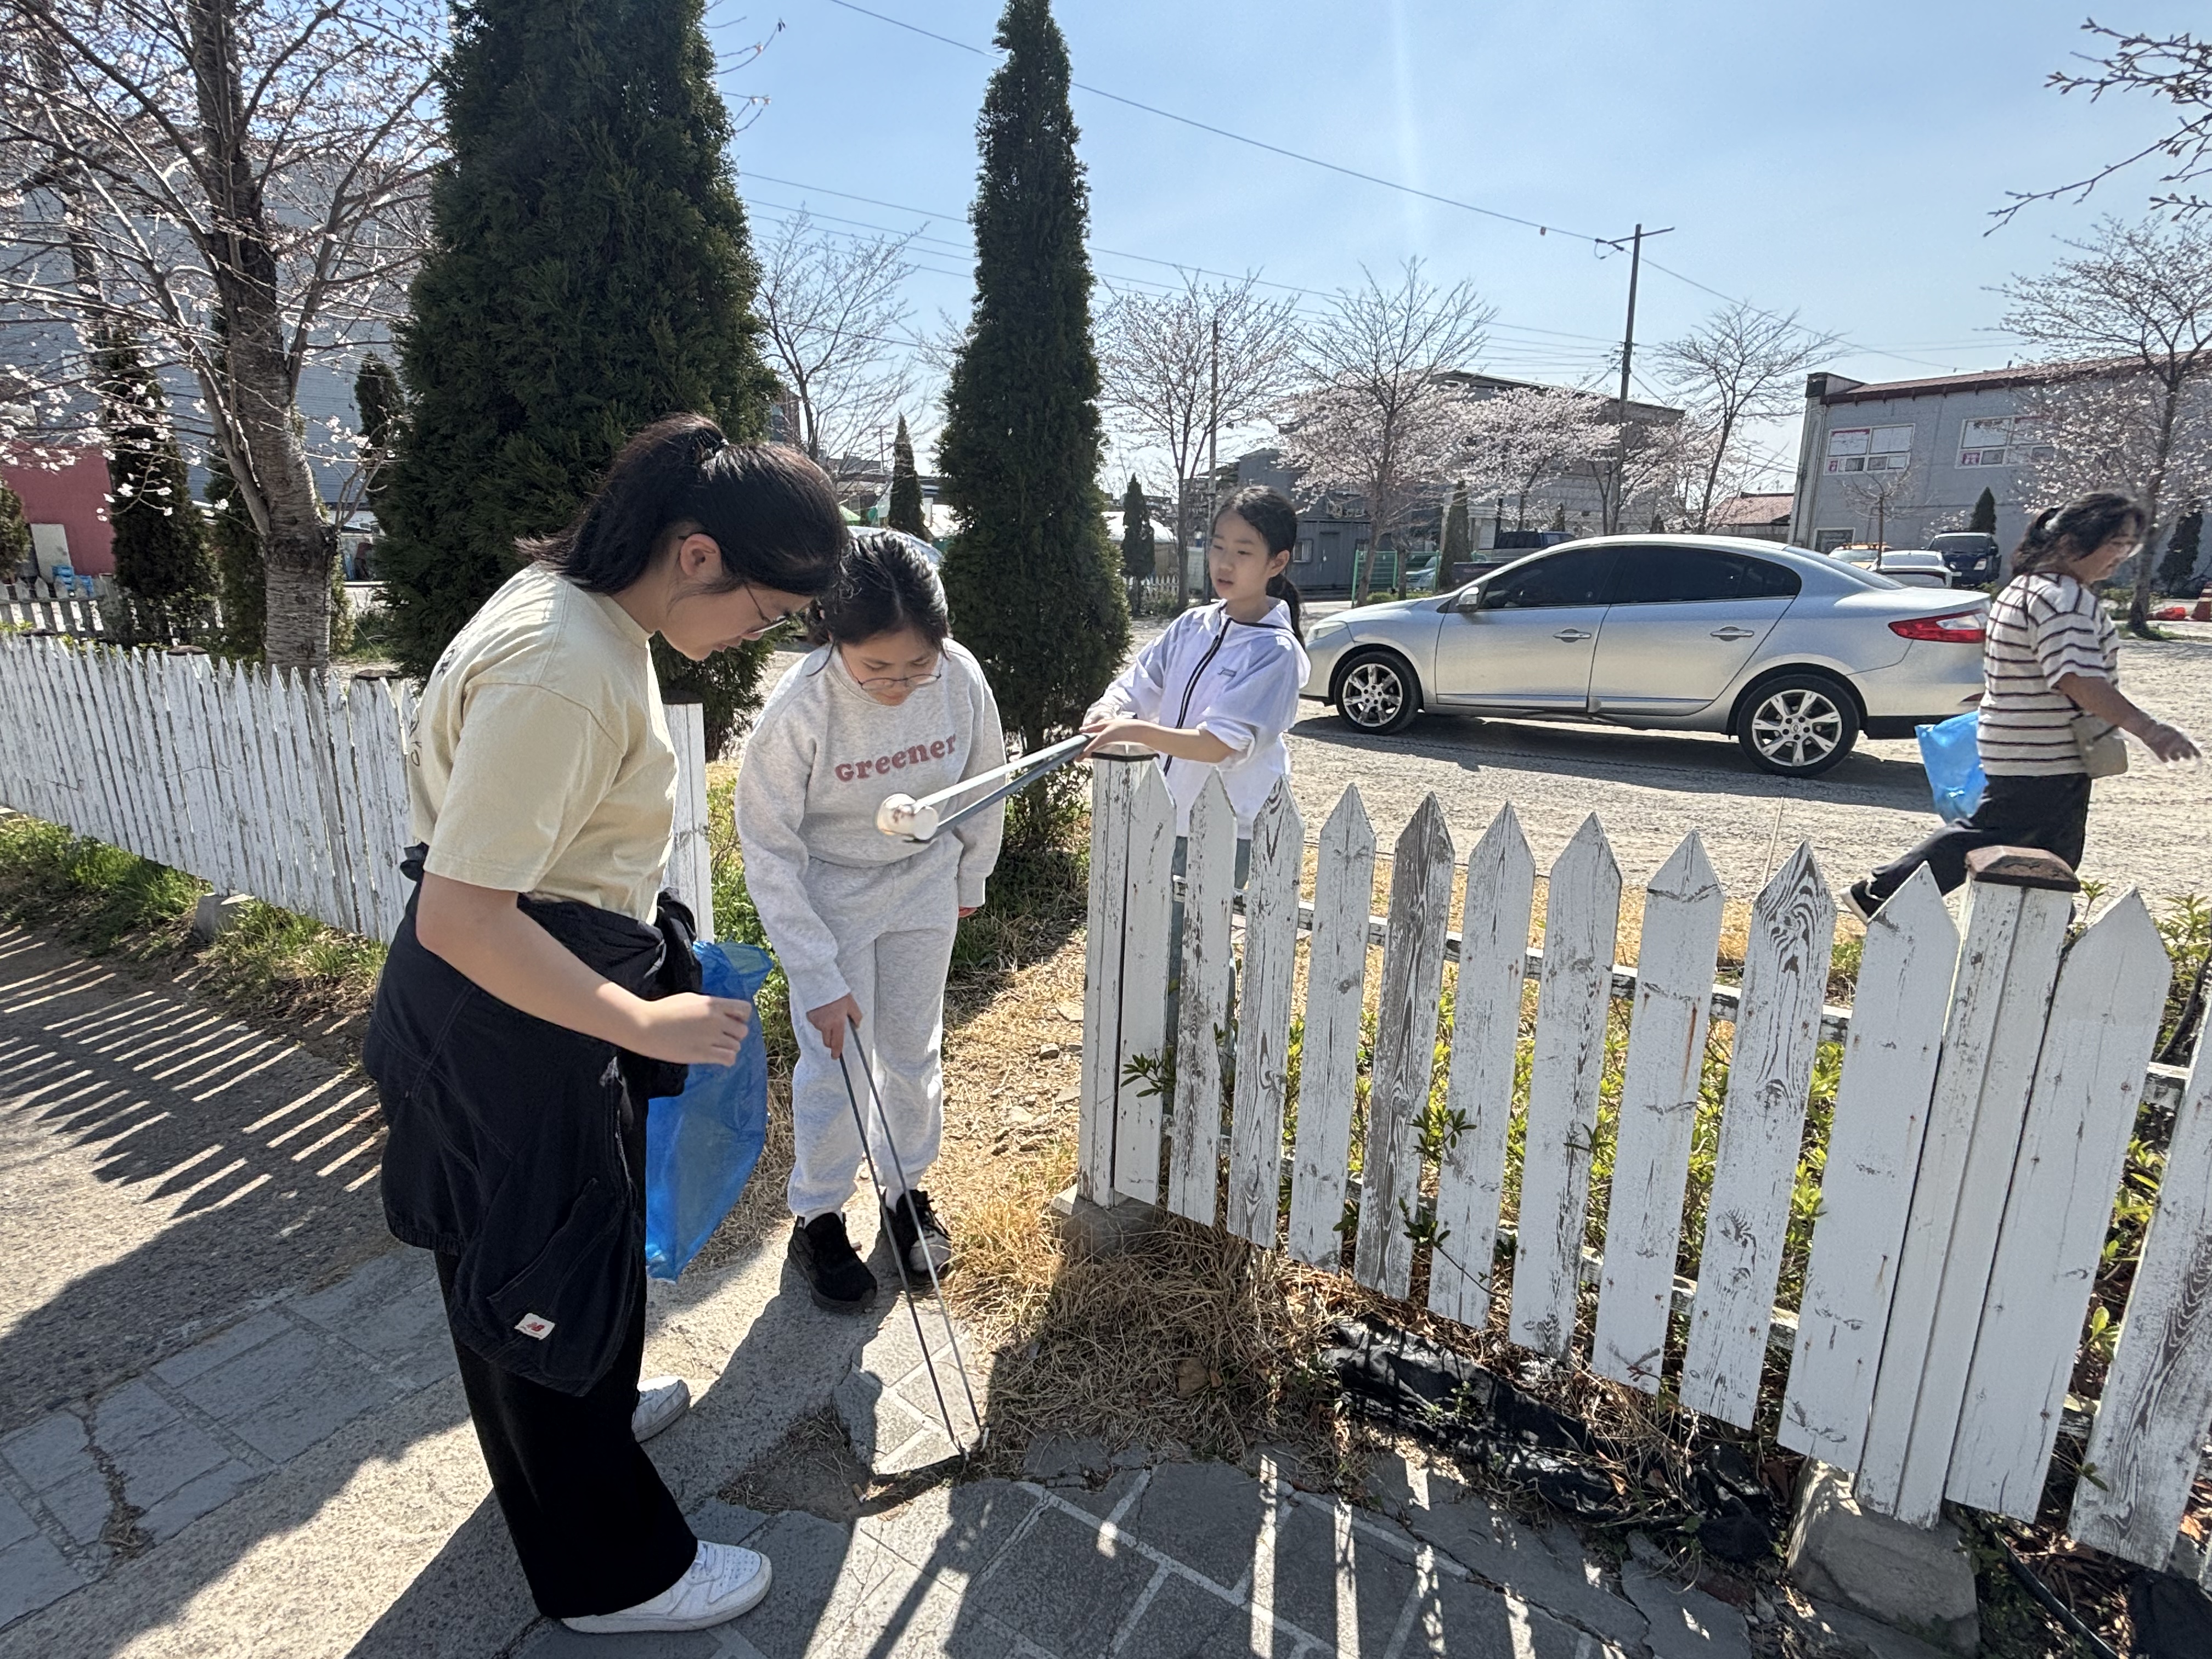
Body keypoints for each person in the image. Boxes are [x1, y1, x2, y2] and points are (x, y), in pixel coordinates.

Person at [363, 416, 848, 1638]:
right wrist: (638, 1017)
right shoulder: (564, 666)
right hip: (511, 1000)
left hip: (538, 976)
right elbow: (466, 916)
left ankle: (586, 1405)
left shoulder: (578, 609)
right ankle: (611, 1575)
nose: (759, 635)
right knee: (544, 1266)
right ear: (697, 554)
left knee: (541, 1253)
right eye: (767, 610)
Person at [733, 528, 1006, 1314]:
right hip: (831, 897)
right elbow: (770, 852)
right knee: (838, 1065)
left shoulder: (960, 680)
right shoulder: (801, 709)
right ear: (831, 637)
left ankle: (907, 1193)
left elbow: (984, 782)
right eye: (876, 667)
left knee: (913, 1051)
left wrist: (969, 874)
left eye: (916, 664)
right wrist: (814, 973)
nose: (898, 682)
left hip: (923, 885)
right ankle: (818, 1216)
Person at [1849, 490, 2200, 919]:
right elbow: (2075, 676)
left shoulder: (2024, 590)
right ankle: (1884, 890)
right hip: (2045, 750)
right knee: (1999, 834)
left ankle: (2044, 923)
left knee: (2043, 844)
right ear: (2072, 543)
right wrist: (2148, 728)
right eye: (2116, 544)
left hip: (2019, 742)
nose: (2122, 557)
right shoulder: (2063, 599)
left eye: (2130, 546)